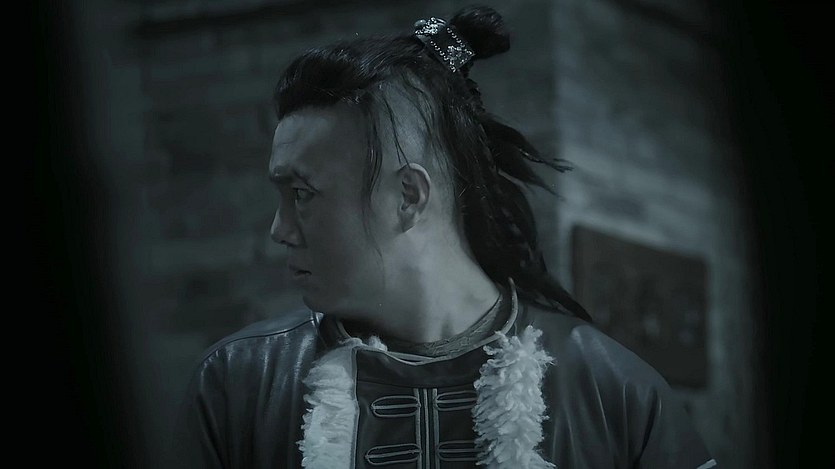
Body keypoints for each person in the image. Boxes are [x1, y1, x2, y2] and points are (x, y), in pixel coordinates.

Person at [168, 5, 717, 469]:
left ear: (408, 195)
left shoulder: (611, 390)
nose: (279, 230)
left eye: (303, 194)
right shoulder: (238, 384)